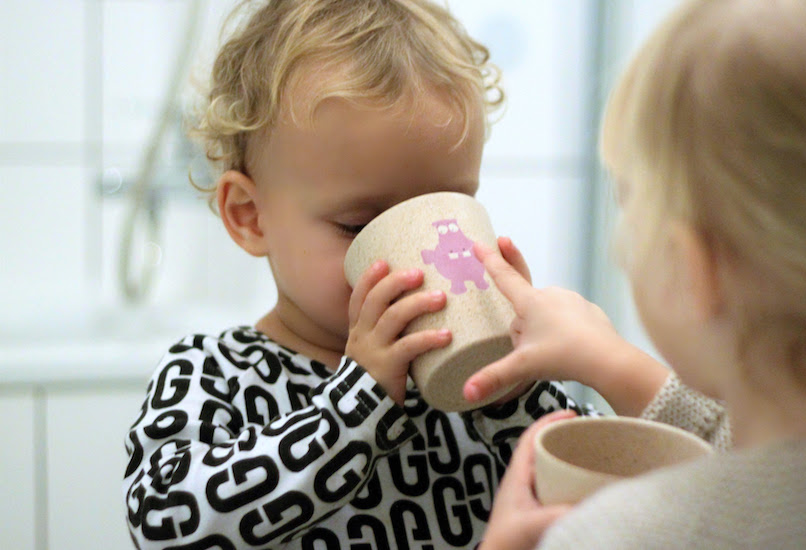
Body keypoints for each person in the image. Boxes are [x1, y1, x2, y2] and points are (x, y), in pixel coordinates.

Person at [472, 0, 806, 548]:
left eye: (629, 203)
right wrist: (608, 359)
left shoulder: (615, 536)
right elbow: (805, 473)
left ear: (696, 268)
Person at [121, 1, 607, 548]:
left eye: (444, 212)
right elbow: (165, 523)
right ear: (250, 216)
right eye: (360, 226)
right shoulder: (213, 373)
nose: (414, 262)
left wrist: (514, 393)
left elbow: (600, 506)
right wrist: (355, 405)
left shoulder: (475, 381)